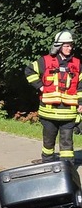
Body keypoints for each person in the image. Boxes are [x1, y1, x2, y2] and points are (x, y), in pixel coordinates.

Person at [25, 30, 82, 163]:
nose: (69, 48)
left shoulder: (77, 64)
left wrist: (81, 103)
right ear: (59, 46)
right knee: (48, 143)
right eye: (66, 45)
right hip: (49, 113)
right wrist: (40, 86)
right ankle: (47, 165)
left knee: (67, 144)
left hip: (68, 114)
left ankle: (68, 170)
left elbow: (80, 86)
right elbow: (29, 70)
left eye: (70, 45)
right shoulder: (45, 61)